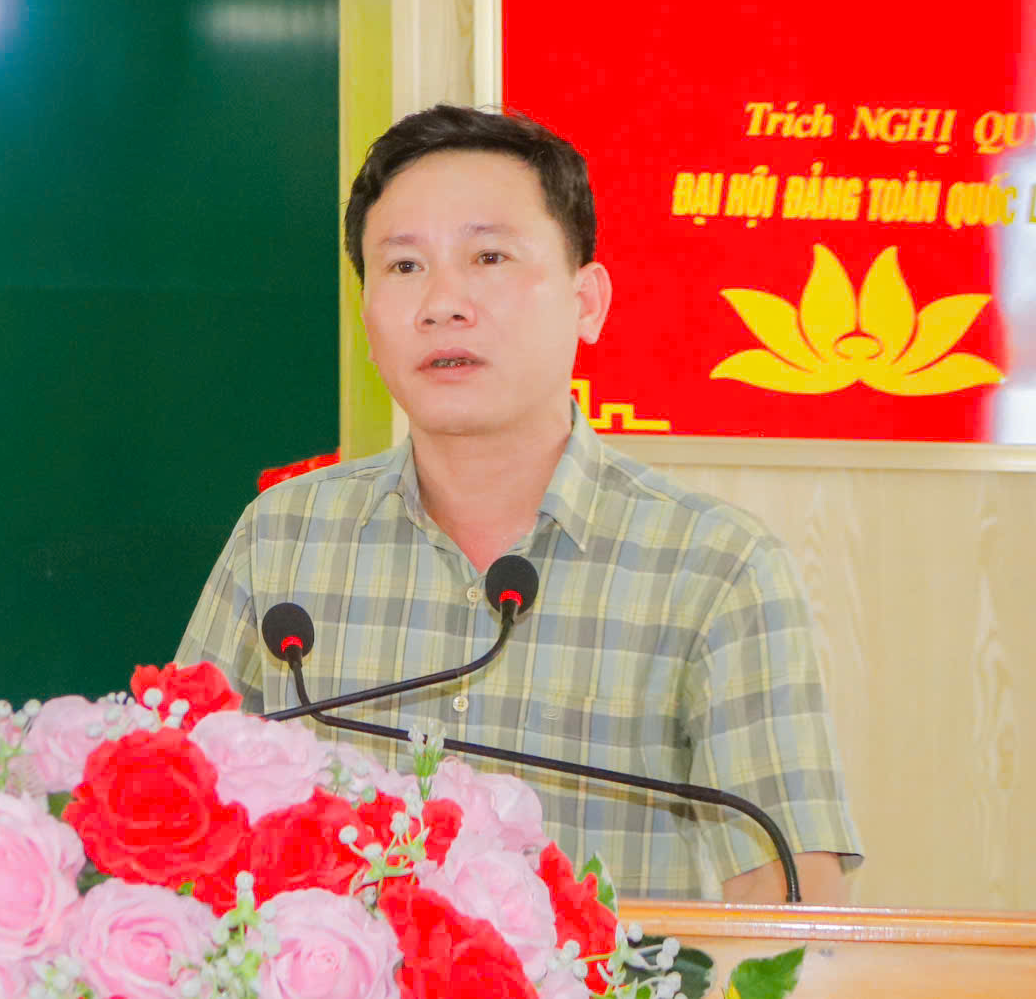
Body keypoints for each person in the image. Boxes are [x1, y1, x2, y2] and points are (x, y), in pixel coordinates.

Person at [177, 104, 860, 903]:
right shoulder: (283, 538)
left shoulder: (715, 566)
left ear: (587, 301)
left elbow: (790, 899)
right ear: (366, 321)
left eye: (489, 257)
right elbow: (177, 818)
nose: (443, 303)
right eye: (404, 266)